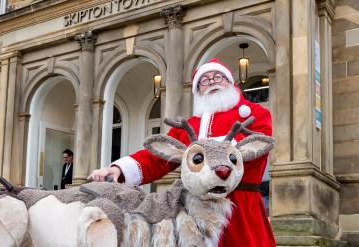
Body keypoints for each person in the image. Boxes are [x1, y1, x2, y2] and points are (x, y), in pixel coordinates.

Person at [88, 58, 276, 246]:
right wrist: (119, 170)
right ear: (198, 90)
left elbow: (254, 151)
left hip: (240, 207)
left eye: (218, 77)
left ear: (230, 82)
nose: (212, 82)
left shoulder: (255, 114)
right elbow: (157, 158)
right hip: (194, 210)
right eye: (205, 80)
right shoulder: (190, 126)